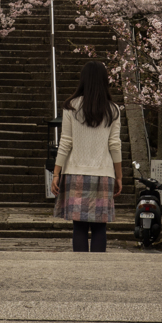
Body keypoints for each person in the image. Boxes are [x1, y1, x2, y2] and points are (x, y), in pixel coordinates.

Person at [51, 60, 123, 252]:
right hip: (104, 174)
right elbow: (115, 144)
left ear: (83, 80)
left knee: (79, 226)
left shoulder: (71, 107)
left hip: (75, 173)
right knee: (100, 226)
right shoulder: (113, 110)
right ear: (104, 81)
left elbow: (65, 142)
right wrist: (119, 175)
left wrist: (56, 173)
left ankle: (80, 269)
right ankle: (98, 270)